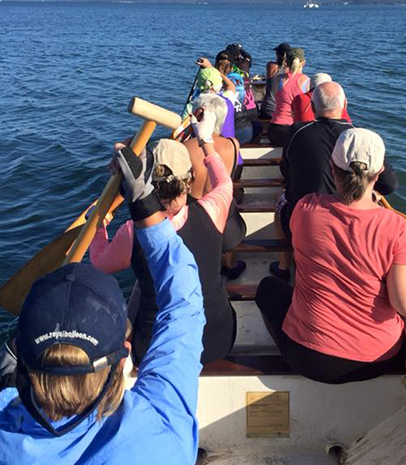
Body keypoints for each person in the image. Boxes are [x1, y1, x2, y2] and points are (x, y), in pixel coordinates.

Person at [0, 144, 205, 464]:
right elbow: (183, 301)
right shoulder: (162, 433)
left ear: (22, 361)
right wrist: (142, 201)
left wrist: (7, 394)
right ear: (123, 358)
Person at [255, 128, 406, 385]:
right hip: (376, 361)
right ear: (378, 174)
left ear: (332, 167)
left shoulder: (305, 208)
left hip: (306, 358)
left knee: (268, 288)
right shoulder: (394, 227)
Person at [90, 106, 236, 365]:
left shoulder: (133, 232)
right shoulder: (214, 210)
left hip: (156, 348)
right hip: (218, 339)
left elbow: (100, 264)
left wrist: (98, 225)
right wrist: (205, 140)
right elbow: (224, 181)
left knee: (137, 297)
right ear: (191, 178)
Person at [270, 81, 398, 280]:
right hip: (351, 222)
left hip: (302, 222)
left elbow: (286, 173)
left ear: (313, 108)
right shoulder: (359, 139)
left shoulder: (296, 132)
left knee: (280, 203)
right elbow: (389, 185)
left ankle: (284, 266)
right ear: (345, 104)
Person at [182, 93, 247, 278]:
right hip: (227, 222)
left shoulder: (185, 148)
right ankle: (230, 265)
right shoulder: (233, 144)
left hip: (195, 220)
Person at [269, 47, 310, 147]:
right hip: (292, 129)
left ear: (286, 62)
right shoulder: (306, 81)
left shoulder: (278, 79)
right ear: (303, 63)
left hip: (274, 129)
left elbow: (274, 95)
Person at [259, 42, 290, 120]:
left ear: (277, 54)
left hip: (269, 108)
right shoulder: (290, 70)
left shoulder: (271, 66)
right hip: (283, 110)